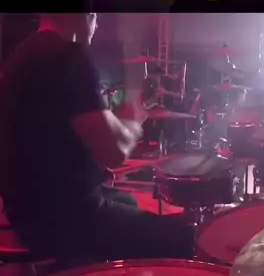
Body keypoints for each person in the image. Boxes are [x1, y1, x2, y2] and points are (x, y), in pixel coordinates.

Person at [0, 14, 193, 262]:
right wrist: (132, 121)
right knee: (182, 237)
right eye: (95, 16)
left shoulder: (24, 54)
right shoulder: (67, 58)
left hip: (25, 213)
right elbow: (114, 153)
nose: (97, 24)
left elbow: (52, 139)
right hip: (65, 221)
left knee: (127, 201)